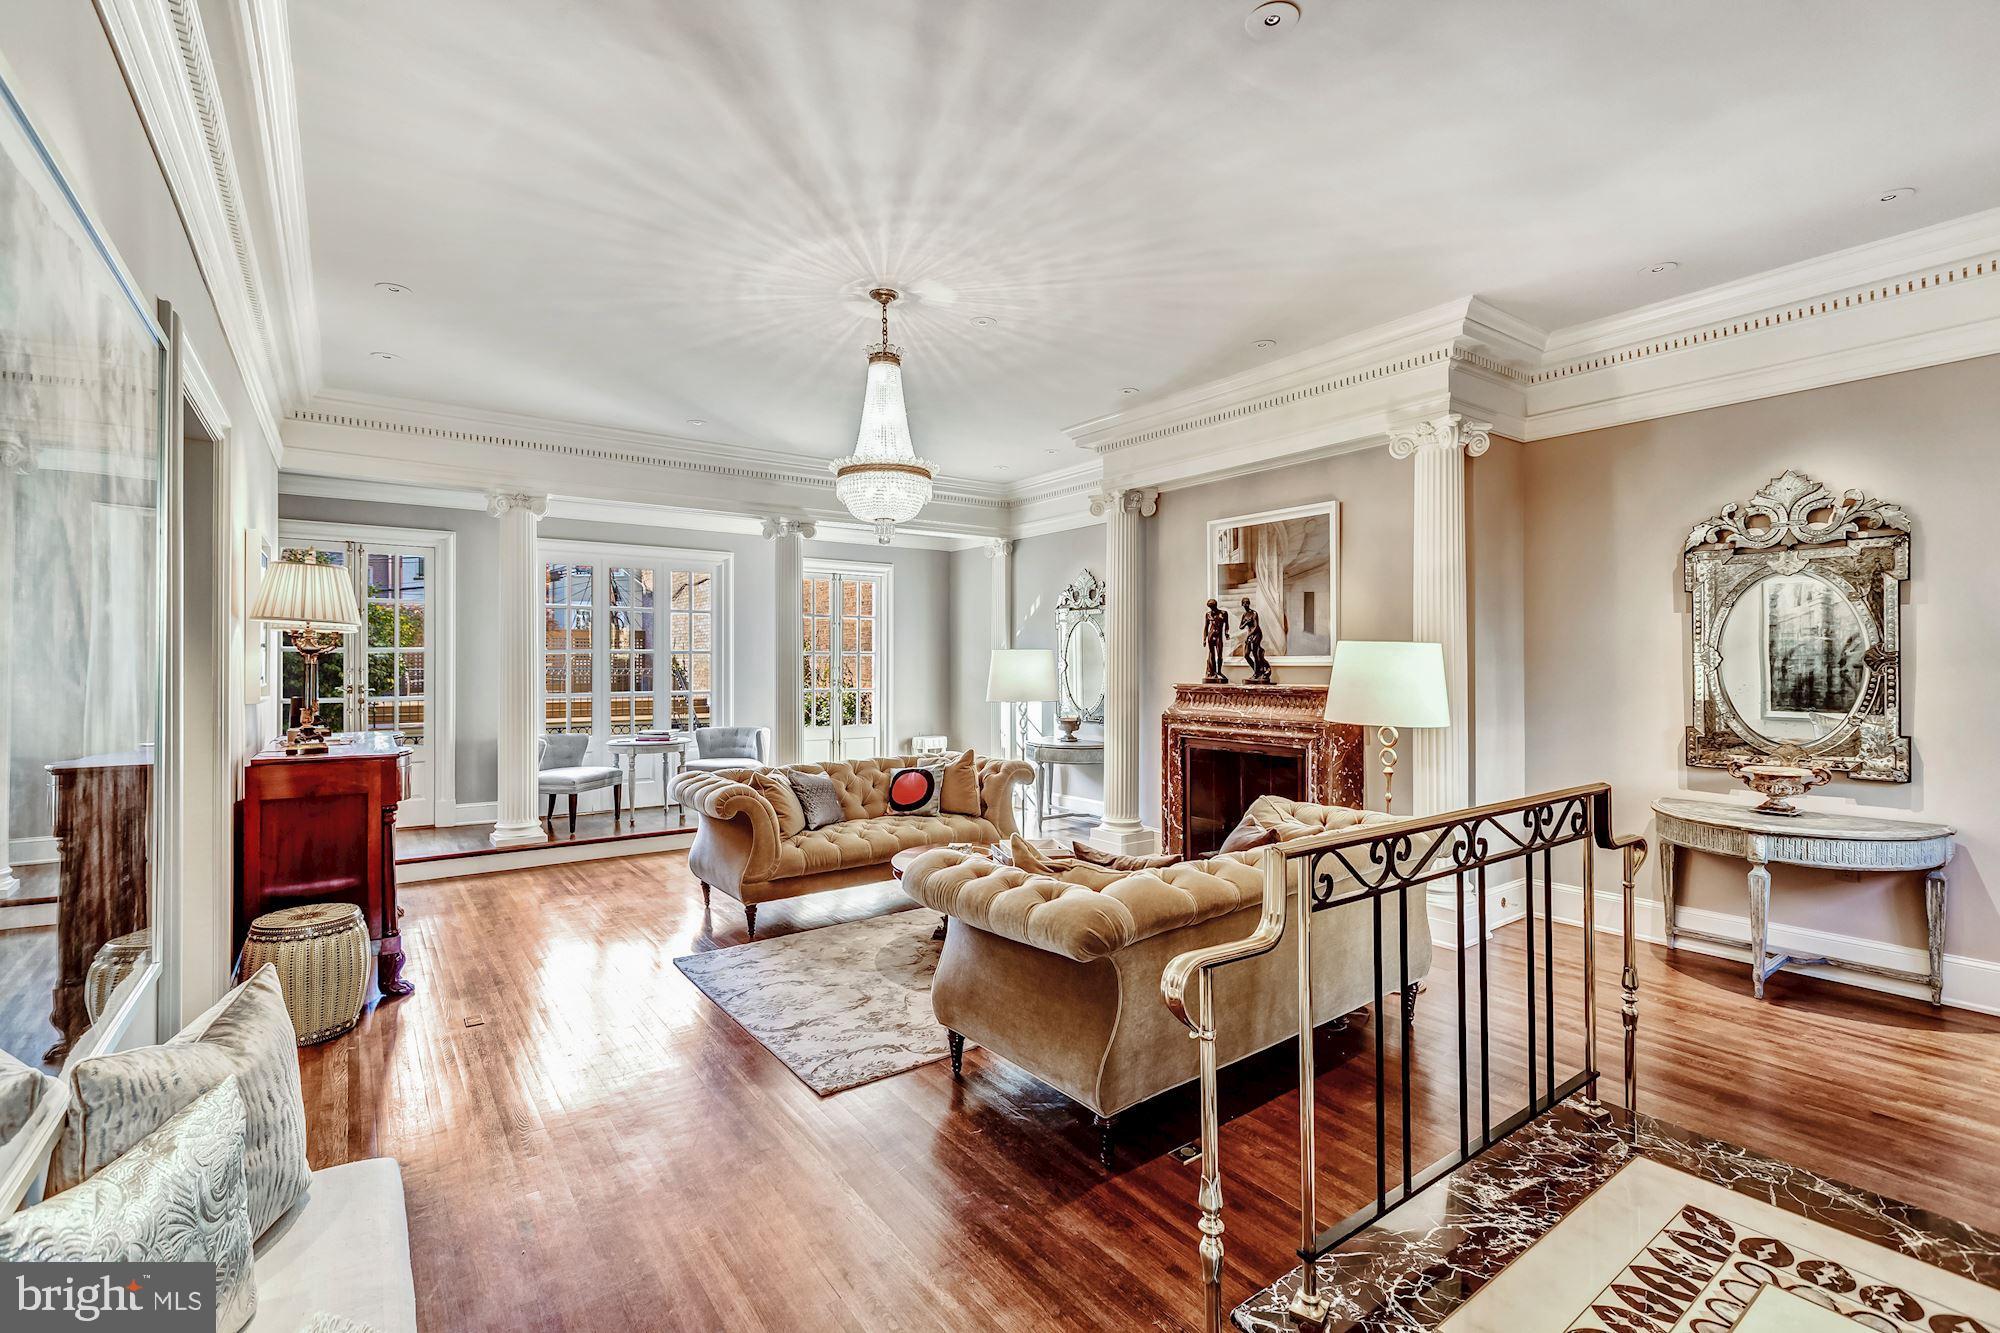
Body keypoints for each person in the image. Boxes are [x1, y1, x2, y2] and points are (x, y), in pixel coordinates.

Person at [1240, 597, 1273, 684]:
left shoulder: (1254, 613)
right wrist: (1246, 623)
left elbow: (1256, 626)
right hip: (1250, 635)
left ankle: (1256, 673)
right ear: (1242, 604)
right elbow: (1241, 627)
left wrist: (1249, 635)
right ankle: (1257, 671)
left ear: (1249, 603)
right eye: (1244, 603)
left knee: (1256, 654)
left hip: (1257, 634)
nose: (1246, 604)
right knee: (1246, 655)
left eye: (1247, 602)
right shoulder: (1244, 615)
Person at [1201, 599, 1230, 683]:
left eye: (1212, 607)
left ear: (1215, 605)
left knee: (1219, 654)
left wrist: (1226, 634)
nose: (1211, 609)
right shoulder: (1208, 614)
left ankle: (1219, 671)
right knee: (1212, 654)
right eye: (1210, 607)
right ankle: (1212, 672)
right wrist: (1204, 639)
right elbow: (1206, 627)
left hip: (1218, 636)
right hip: (1211, 635)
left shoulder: (1223, 613)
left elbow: (1226, 625)